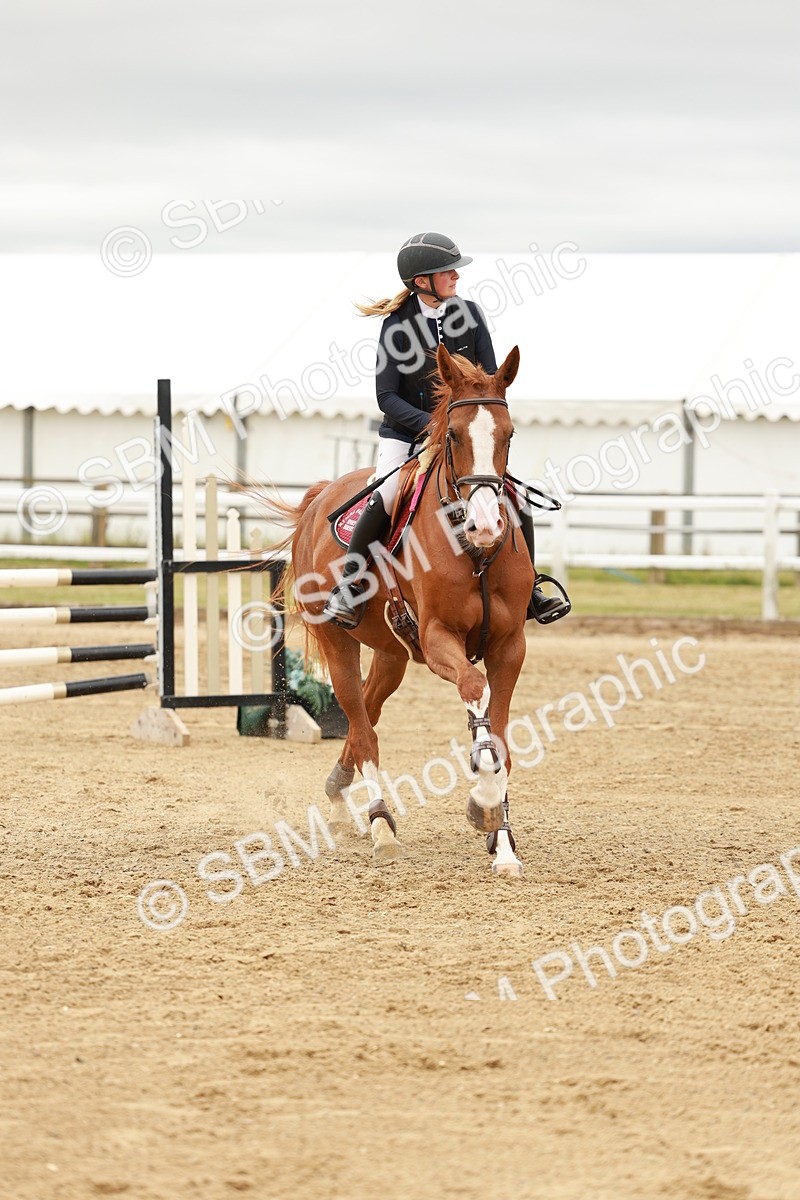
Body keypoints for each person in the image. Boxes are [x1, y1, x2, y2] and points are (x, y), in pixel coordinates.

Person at [322, 231, 569, 629]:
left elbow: (490, 381)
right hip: (406, 436)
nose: (456, 275)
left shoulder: (469, 315)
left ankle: (532, 588)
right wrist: (433, 427)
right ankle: (350, 585)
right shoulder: (395, 327)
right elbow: (386, 397)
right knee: (384, 495)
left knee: (515, 498)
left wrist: (473, 425)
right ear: (423, 281)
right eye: (446, 271)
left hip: (466, 436)